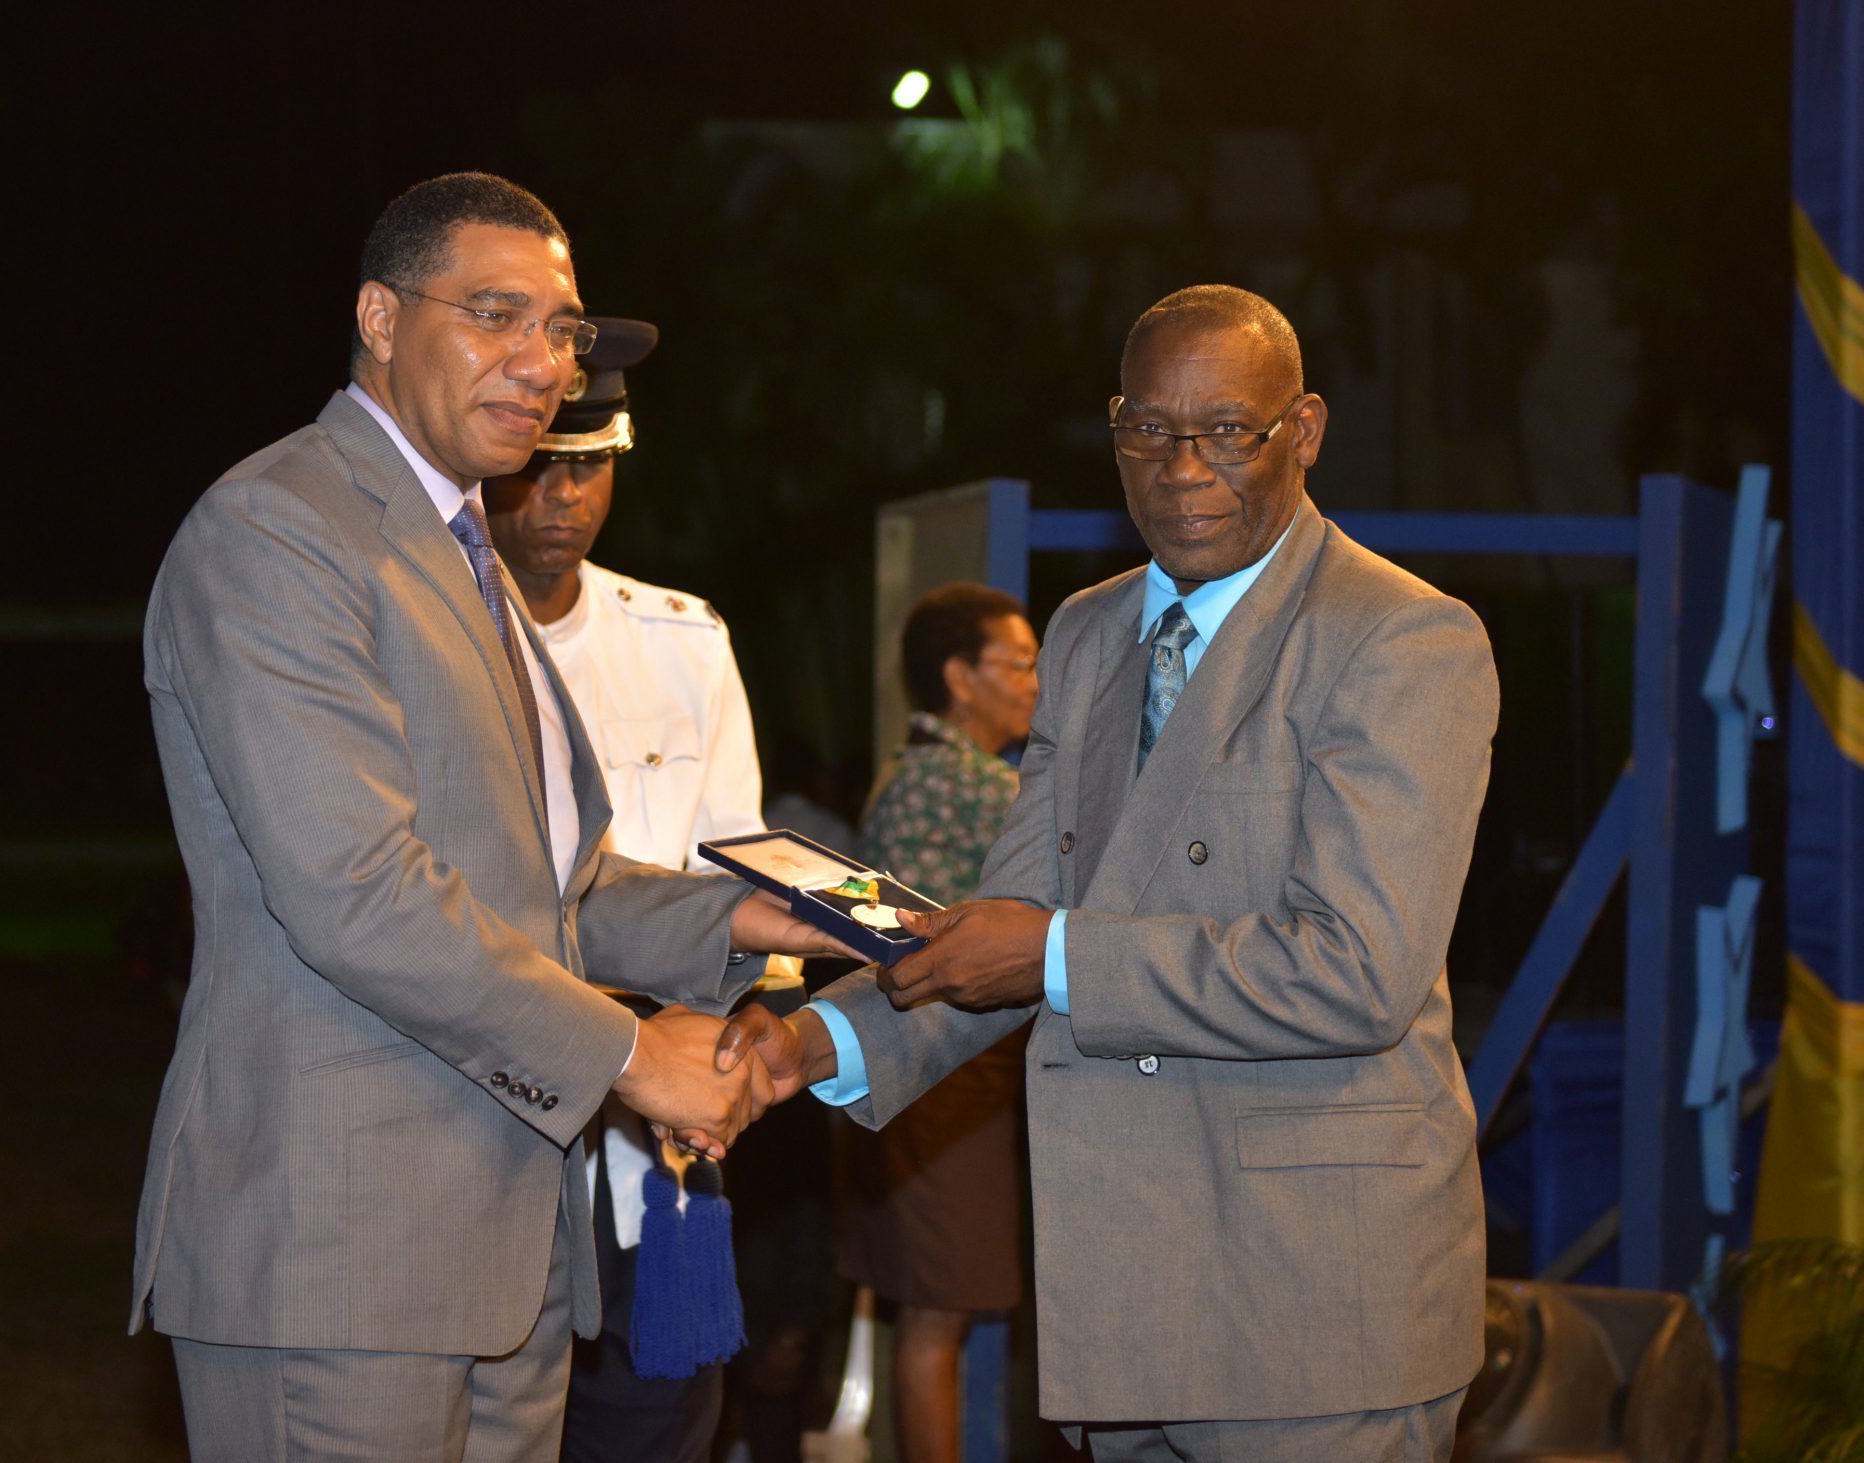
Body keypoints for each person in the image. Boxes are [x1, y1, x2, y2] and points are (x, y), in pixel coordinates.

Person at [129, 171, 839, 1463]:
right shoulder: (279, 531)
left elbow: (540, 878)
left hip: (512, 1259)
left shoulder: (467, 548)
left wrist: (745, 910)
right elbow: (363, 889)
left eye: (562, 331)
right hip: (340, 1255)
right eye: (497, 314)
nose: (543, 362)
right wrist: (633, 1055)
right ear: (381, 317)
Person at [722, 285, 1500, 1462]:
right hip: (1123, 1293)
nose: (1182, 465)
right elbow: (997, 925)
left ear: (1304, 429)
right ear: (1113, 429)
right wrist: (808, 1046)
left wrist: (1045, 950)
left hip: (1312, 1306)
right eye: (1149, 430)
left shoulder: (1399, 636)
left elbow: (1352, 968)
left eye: (1228, 430)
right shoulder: (1087, 633)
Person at [482, 316, 764, 1463]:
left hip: (657, 1138)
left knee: (652, 1427)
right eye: (543, 465)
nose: (563, 498)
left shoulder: (678, 640)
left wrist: (742, 1043)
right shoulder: (443, 632)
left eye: (590, 466)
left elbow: (734, 870)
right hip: (496, 1115)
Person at [840, 581, 1038, 1463]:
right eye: (1021, 663)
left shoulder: (945, 775)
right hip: (939, 1081)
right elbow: (905, 954)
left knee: (937, 1311)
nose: (1037, 682)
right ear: (960, 677)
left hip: (955, 1087)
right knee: (936, 1314)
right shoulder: (947, 780)